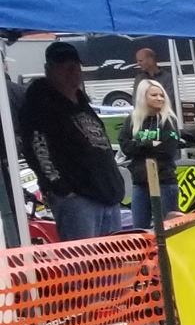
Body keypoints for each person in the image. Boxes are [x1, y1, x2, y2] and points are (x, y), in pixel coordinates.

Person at [19, 41, 129, 240]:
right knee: (83, 265)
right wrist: (61, 188)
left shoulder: (82, 102)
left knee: (115, 266)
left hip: (107, 196)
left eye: (75, 66)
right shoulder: (40, 105)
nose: (72, 72)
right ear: (49, 69)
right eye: (65, 67)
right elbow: (38, 149)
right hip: (78, 201)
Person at [120, 80, 185, 231]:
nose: (159, 98)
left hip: (164, 181)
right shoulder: (132, 120)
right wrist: (150, 144)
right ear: (143, 97)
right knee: (139, 230)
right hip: (140, 183)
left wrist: (139, 144)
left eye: (161, 95)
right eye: (154, 95)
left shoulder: (169, 120)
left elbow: (169, 149)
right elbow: (125, 146)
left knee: (168, 229)